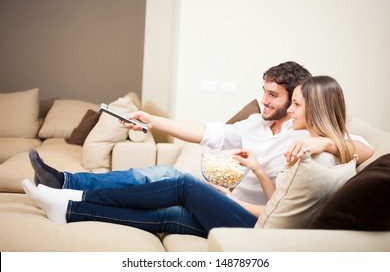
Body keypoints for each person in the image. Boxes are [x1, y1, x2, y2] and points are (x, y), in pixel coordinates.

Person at [23, 75, 373, 238]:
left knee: (181, 184)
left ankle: (73, 193)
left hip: (249, 220)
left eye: (280, 98)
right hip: (239, 208)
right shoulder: (260, 126)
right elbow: (209, 131)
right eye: (262, 92)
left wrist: (322, 144)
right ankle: (67, 203)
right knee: (166, 209)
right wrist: (154, 120)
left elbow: (364, 148)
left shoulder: (311, 142)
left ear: (308, 105)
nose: (265, 101)